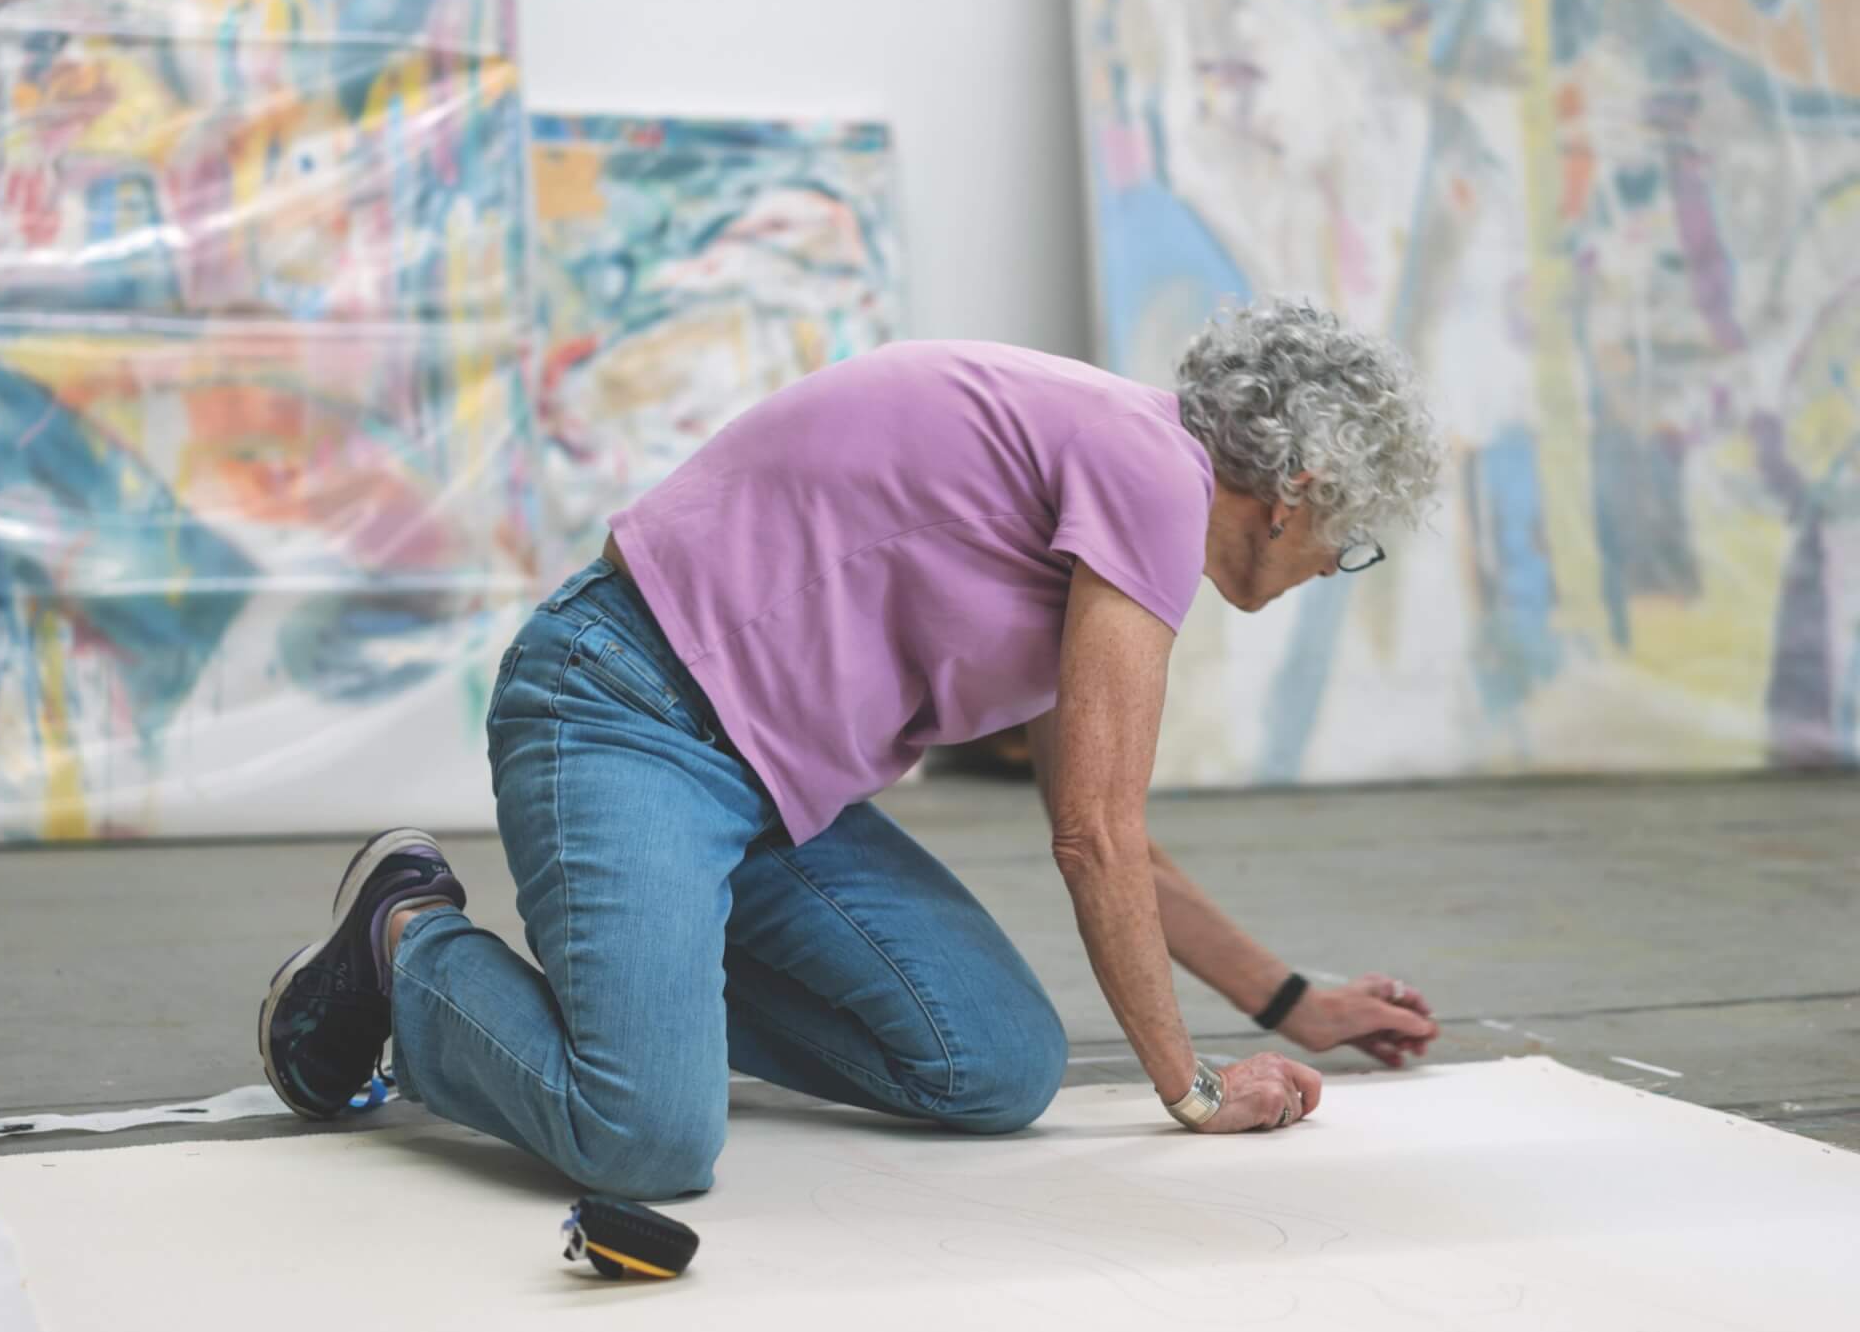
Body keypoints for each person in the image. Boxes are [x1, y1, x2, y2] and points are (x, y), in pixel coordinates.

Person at [259, 300, 1446, 1198]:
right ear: (1294, 493)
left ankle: (635, 986)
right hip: (623, 710)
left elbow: (1101, 825)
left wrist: (1287, 1001)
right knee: (643, 1140)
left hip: (775, 796)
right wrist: (1190, 1088)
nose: (1324, 571)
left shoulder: (1110, 479)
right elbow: (1094, 835)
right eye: (1344, 545)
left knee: (994, 1065)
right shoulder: (1150, 476)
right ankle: (407, 948)